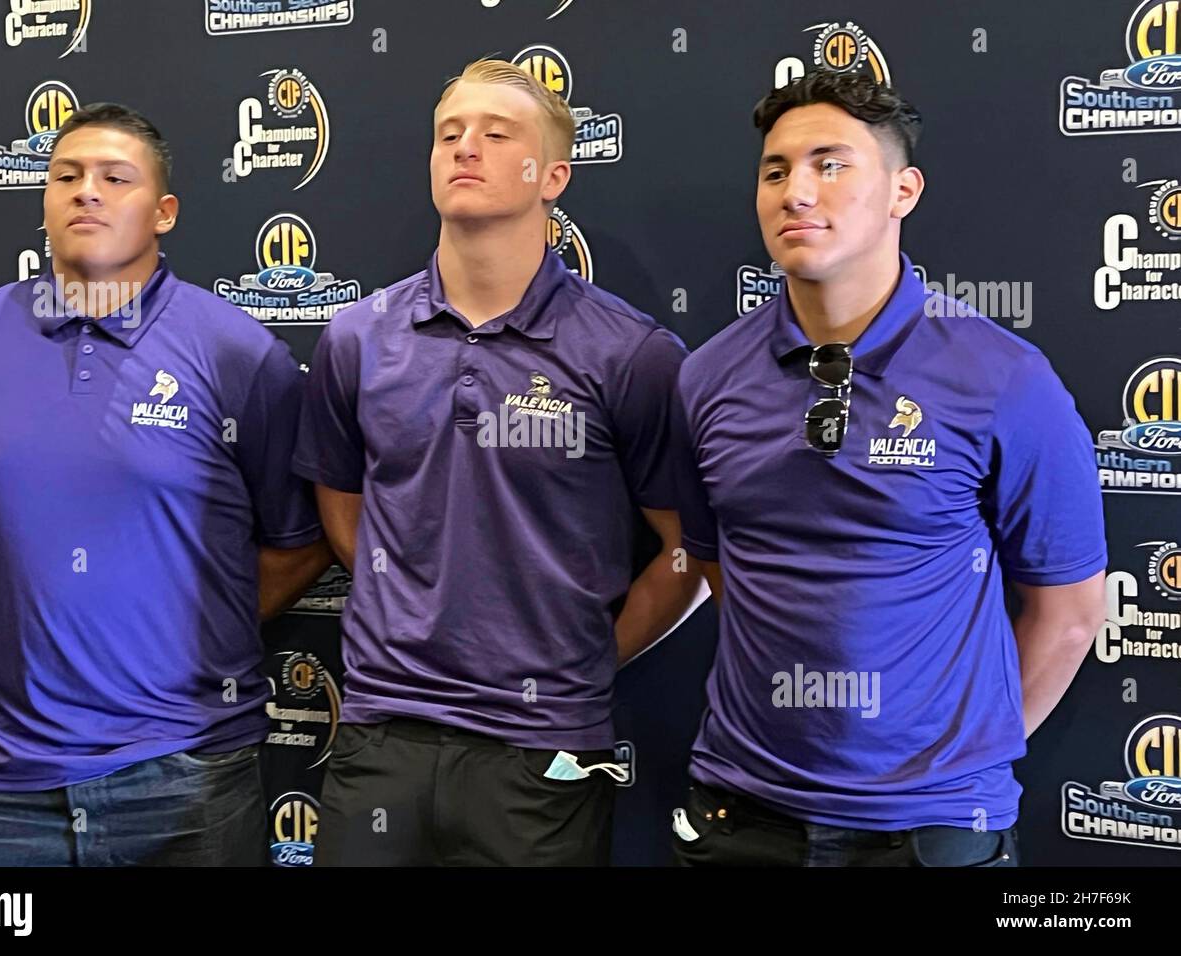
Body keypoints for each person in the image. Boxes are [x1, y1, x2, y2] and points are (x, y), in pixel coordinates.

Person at [670, 71, 1107, 867]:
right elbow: (719, 567)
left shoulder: (1004, 378)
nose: (797, 191)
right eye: (776, 171)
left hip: (930, 832)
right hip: (739, 813)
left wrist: (957, 757)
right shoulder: (706, 378)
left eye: (831, 164)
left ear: (903, 191)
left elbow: (1071, 610)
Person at [0, 103, 331, 866]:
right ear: (43, 202)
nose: (85, 192)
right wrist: (40, 604)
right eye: (66, 175)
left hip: (184, 771)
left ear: (164, 212)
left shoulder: (239, 355)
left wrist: (188, 633)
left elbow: (298, 544)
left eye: (114, 177)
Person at [294, 59, 701, 866]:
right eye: (449, 133)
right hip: (381, 736)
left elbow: (687, 549)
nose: (465, 148)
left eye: (495, 133)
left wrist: (588, 657)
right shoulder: (357, 337)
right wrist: (402, 591)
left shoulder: (631, 354)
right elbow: (340, 498)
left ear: (553, 175)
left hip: (541, 752)